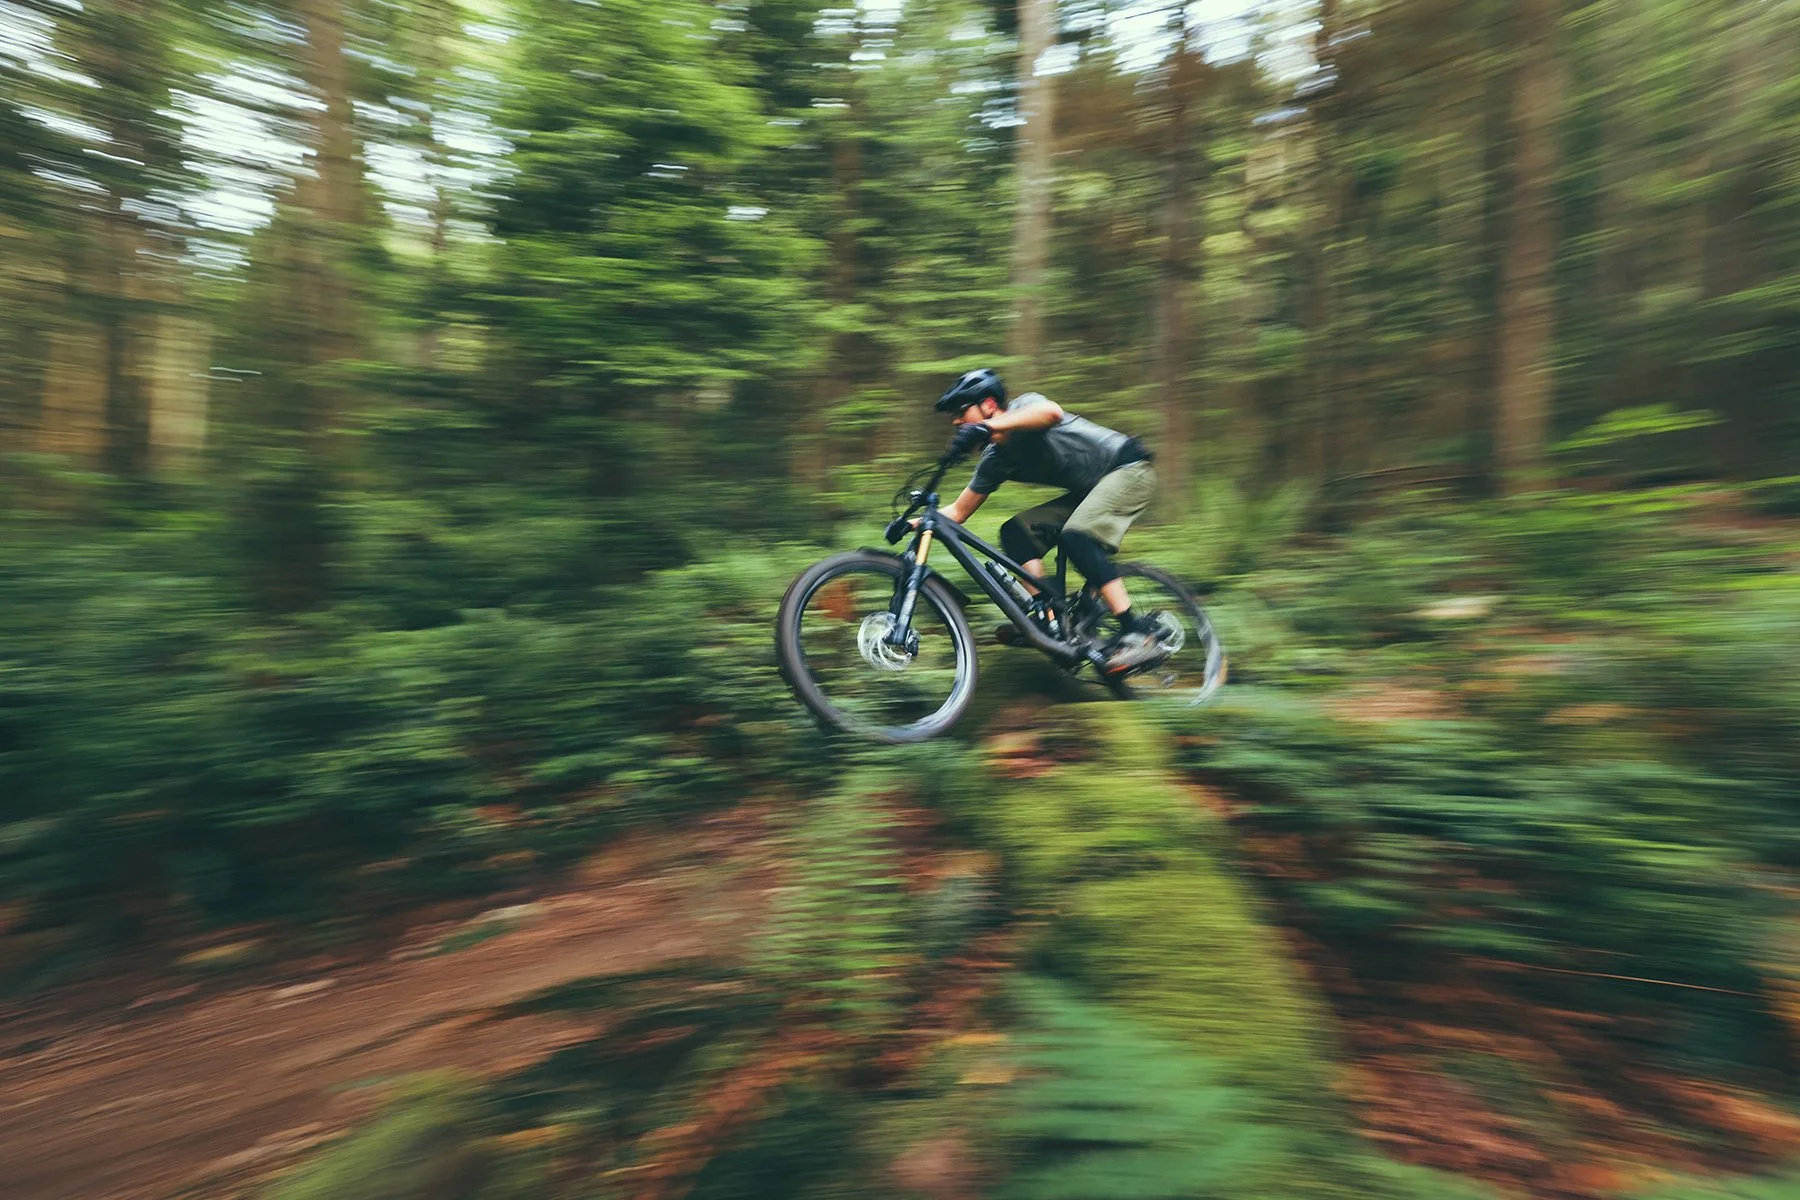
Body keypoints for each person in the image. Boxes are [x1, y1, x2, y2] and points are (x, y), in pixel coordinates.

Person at [932, 367, 1165, 675]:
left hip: (1128, 468)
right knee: (1016, 532)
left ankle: (1138, 634)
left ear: (988, 405)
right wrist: (919, 521)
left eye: (961, 412)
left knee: (1076, 535)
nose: (956, 421)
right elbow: (958, 512)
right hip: (1089, 490)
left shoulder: (1025, 408)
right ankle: (1049, 618)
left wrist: (988, 427)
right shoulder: (995, 460)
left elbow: (1050, 413)